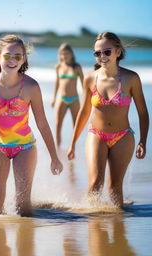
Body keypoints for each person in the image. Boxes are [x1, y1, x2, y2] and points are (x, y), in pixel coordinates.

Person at [0, 34, 63, 216]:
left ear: (23, 59)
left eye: (17, 56)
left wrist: (54, 157)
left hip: (25, 147)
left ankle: (25, 240)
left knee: (23, 209)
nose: (12, 60)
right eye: (7, 56)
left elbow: (42, 123)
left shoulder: (31, 86)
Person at [67, 32, 149, 208]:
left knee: (115, 188)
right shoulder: (90, 78)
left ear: (118, 52)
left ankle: (118, 227)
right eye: (97, 53)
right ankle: (92, 225)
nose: (102, 56)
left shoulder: (131, 78)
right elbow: (84, 111)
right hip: (96, 134)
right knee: (95, 183)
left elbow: (143, 112)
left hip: (123, 137)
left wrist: (143, 141)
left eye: (107, 52)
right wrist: (73, 142)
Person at [51, 43, 84, 147]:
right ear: (60, 55)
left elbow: (83, 83)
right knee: (57, 124)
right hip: (62, 98)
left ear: (71, 54)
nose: (64, 56)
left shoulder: (76, 67)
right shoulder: (58, 67)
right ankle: (58, 147)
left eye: (67, 53)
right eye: (62, 53)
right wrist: (53, 97)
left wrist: (86, 99)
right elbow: (57, 82)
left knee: (76, 124)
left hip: (74, 99)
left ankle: (73, 146)